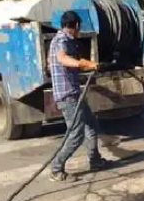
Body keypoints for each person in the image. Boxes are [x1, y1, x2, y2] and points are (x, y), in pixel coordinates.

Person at [48, 10, 112, 182]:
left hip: (74, 93)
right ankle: (56, 169)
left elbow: (58, 63)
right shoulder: (61, 40)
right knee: (76, 134)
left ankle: (95, 160)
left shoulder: (64, 39)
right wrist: (83, 63)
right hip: (67, 96)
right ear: (76, 25)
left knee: (91, 125)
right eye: (79, 27)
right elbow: (62, 58)